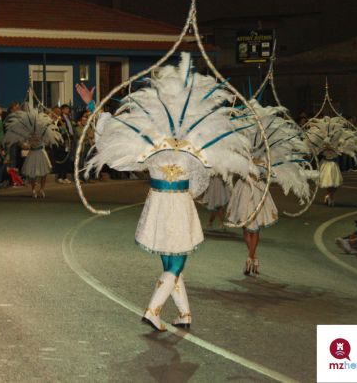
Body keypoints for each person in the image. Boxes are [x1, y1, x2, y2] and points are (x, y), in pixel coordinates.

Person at [77, 54, 257, 331]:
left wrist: (92, 104)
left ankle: (184, 315)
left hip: (158, 205)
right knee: (177, 261)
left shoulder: (148, 143)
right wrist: (187, 188)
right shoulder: (194, 145)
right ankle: (153, 310)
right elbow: (201, 181)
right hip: (179, 205)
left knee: (170, 262)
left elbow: (114, 141)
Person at [227, 99, 315, 275]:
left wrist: (263, 170)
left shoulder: (268, 154)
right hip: (244, 190)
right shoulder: (242, 151)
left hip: (258, 191)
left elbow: (272, 172)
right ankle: (252, 257)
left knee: (255, 226)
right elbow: (234, 167)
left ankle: (251, 258)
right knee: (246, 226)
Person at [4, 106, 62, 198]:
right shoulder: (27, 133)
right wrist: (25, 144)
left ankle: (42, 189)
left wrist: (41, 140)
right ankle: (33, 189)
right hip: (32, 153)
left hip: (41, 153)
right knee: (32, 174)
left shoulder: (42, 130)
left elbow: (47, 141)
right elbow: (24, 145)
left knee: (43, 173)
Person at [305, 116, 357, 206]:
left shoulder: (338, 140)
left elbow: (342, 148)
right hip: (326, 163)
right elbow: (318, 149)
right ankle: (329, 196)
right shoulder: (322, 142)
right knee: (328, 182)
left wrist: (337, 148)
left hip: (333, 164)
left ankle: (329, 195)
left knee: (335, 184)